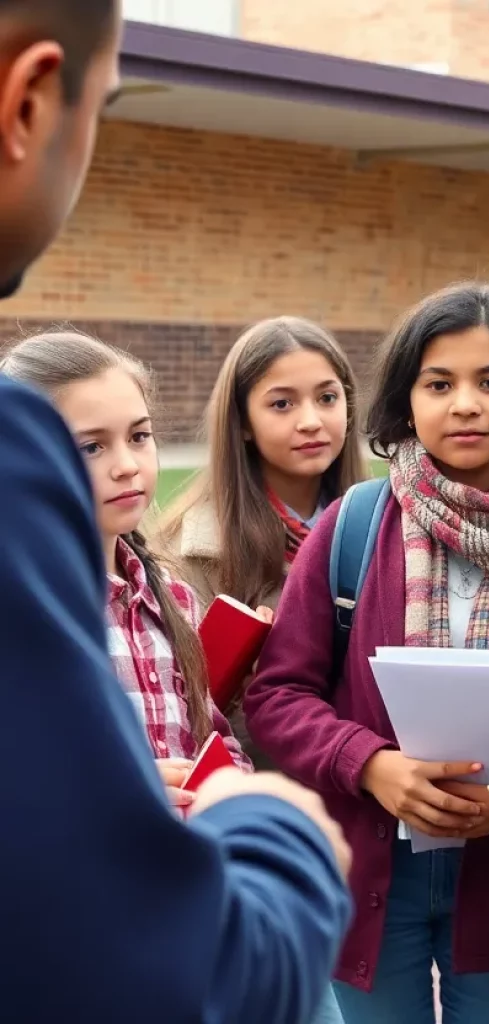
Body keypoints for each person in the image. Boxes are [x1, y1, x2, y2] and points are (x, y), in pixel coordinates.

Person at [0, 1, 353, 1019]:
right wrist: (274, 826)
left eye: (141, 435)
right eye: (104, 106)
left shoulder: (157, 587)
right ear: (30, 100)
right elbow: (170, 968)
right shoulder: (24, 503)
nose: (125, 466)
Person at [244, 283, 489, 1024]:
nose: (465, 405)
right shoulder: (355, 524)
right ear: (407, 400)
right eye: (439, 384)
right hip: (372, 871)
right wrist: (371, 765)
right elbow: (277, 695)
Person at [1, 331, 253, 803]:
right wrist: (116, 787)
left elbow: (215, 742)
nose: (127, 466)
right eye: (91, 447)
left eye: (139, 437)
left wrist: (234, 794)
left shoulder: (175, 600)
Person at [158, 316, 366, 771]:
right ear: (243, 423)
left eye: (327, 398)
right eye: (281, 404)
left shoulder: (378, 525)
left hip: (368, 780)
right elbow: (183, 708)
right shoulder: (193, 550)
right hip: (259, 786)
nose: (310, 421)